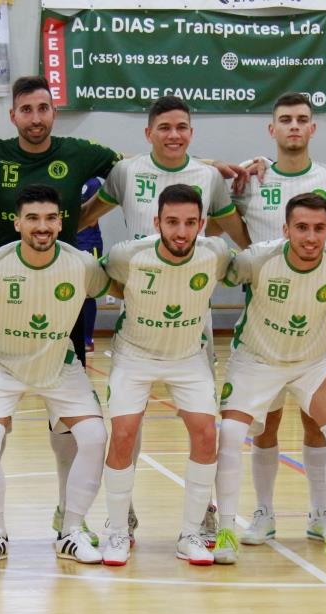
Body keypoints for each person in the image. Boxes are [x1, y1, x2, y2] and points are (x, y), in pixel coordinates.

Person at [0, 76, 124, 549]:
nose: (35, 118)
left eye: (43, 108)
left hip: (61, 297)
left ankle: (68, 515)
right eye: (26, 110)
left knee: (69, 424)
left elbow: (144, 169)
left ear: (53, 112)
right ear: (13, 115)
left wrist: (89, 214)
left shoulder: (81, 153)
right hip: (3, 297)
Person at [215, 193, 326, 564]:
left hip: (313, 361)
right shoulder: (258, 259)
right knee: (231, 434)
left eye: (319, 228)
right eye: (302, 228)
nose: (311, 237)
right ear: (286, 229)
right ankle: (236, 524)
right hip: (257, 359)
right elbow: (212, 272)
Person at [0, 185, 111, 566]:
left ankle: (71, 530)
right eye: (32, 218)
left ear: (61, 223)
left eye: (49, 218)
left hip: (58, 363)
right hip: (4, 365)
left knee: (93, 436)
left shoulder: (83, 265)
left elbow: (119, 286)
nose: (41, 226)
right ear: (17, 222)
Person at [230, 92, 326, 545]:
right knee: (267, 422)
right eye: (286, 120)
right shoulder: (249, 180)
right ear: (272, 129)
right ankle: (263, 511)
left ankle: (321, 510)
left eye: (303, 119)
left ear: (313, 128)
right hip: (263, 319)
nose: (295, 127)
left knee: (317, 421)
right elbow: (226, 226)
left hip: (313, 320)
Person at [100, 184, 233, 566]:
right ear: (156, 222)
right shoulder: (129, 255)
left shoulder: (216, 254)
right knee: (123, 433)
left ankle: (191, 531)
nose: (181, 231)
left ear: (202, 224)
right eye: (172, 222)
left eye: (191, 222)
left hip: (188, 355)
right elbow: (102, 278)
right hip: (135, 354)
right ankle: (117, 530)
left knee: (206, 433)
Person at [79, 95, 249, 248]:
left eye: (181, 127)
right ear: (148, 134)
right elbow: (85, 216)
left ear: (191, 132)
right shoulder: (126, 171)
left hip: (190, 277)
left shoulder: (210, 176)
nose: (174, 135)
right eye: (164, 128)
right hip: (139, 277)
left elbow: (238, 234)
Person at [76, 177, 104, 352]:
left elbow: (92, 219)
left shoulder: (93, 183)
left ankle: (86, 339)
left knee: (87, 292)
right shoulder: (66, 176)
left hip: (87, 242)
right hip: (66, 241)